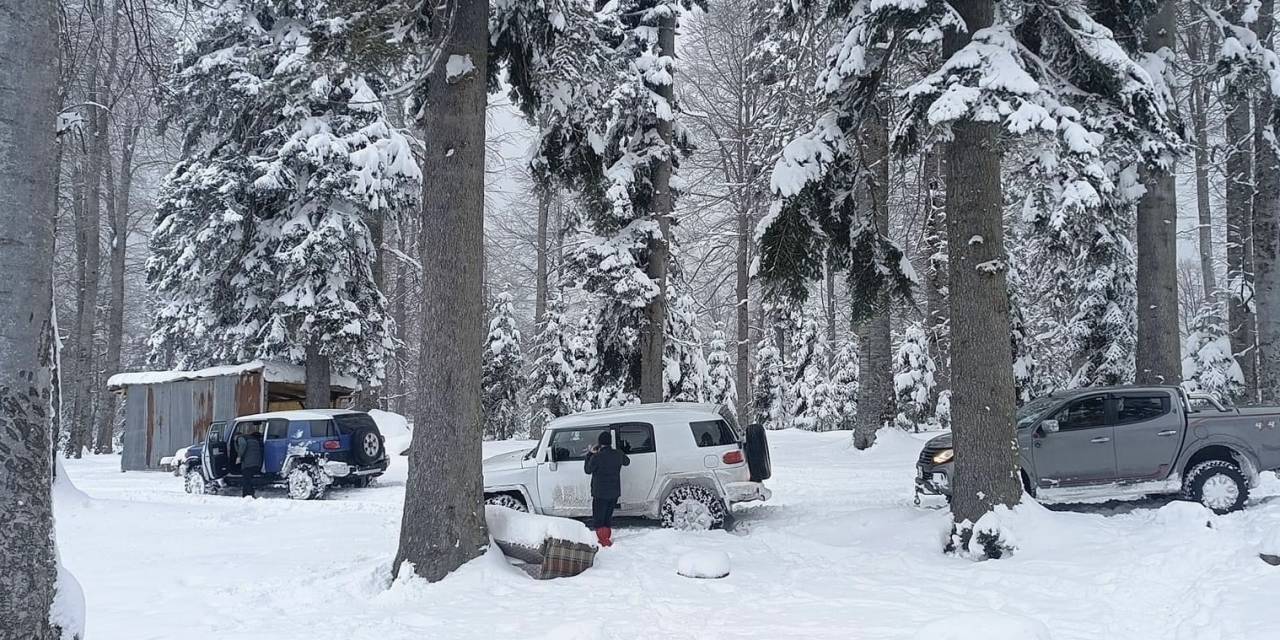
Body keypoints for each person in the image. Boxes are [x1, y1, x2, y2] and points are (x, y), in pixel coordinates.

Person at [584, 430, 629, 547]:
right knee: (608, 516)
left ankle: (603, 540)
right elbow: (627, 462)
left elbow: (587, 470)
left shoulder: (597, 457)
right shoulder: (618, 454)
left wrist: (590, 454)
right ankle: (606, 538)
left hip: (600, 492)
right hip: (614, 491)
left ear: (600, 443)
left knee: (599, 518)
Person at [234, 425, 263, 498]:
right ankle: (248, 495)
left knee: (246, 479)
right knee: (248, 479)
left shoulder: (240, 438)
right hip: (257, 462)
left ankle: (248, 496)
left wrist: (239, 457)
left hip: (248, 463)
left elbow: (243, 444)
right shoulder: (252, 438)